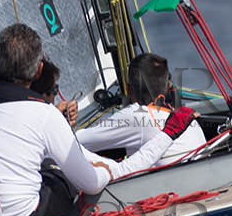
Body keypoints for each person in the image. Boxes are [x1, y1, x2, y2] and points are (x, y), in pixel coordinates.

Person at [0, 24, 197, 216]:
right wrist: (110, 167)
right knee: (60, 171)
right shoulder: (44, 114)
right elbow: (92, 184)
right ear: (39, 68)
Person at [78, 53, 206, 165]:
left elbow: (75, 142)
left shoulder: (136, 116)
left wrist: (64, 118)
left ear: (128, 90)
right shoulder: (185, 118)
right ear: (168, 85)